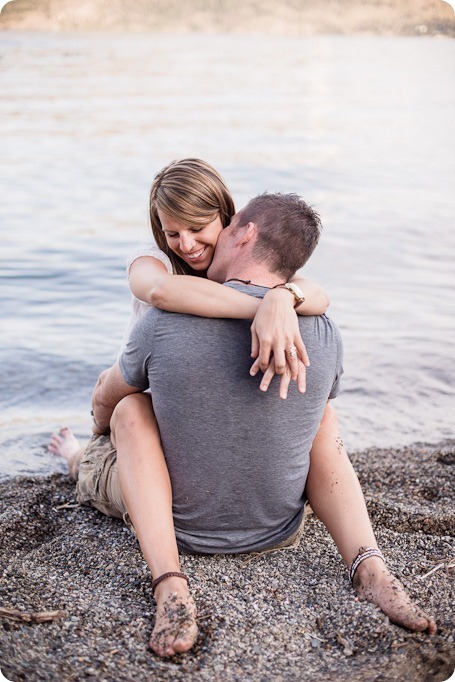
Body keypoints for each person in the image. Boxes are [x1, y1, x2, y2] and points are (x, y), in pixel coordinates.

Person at [50, 191, 436, 659]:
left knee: (129, 413)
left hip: (181, 526)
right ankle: (368, 564)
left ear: (245, 234)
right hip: (278, 526)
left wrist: (98, 434)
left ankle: (168, 581)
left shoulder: (163, 319)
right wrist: (281, 300)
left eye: (227, 228)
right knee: (322, 415)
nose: (202, 244)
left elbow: (104, 402)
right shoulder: (322, 329)